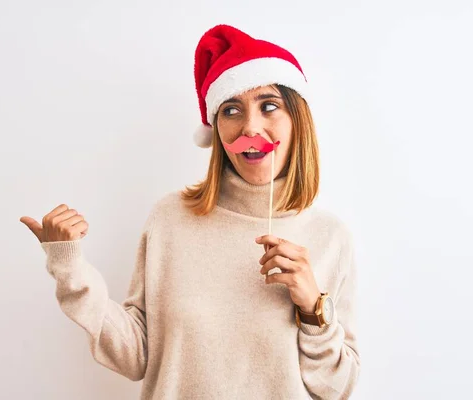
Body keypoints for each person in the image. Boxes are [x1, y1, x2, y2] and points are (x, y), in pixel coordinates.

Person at [20, 24, 360, 400]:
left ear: (298, 119)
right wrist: (70, 268)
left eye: (269, 105)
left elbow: (337, 388)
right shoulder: (171, 219)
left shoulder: (331, 237)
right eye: (232, 109)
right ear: (217, 129)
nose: (250, 126)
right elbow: (136, 356)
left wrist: (313, 309)